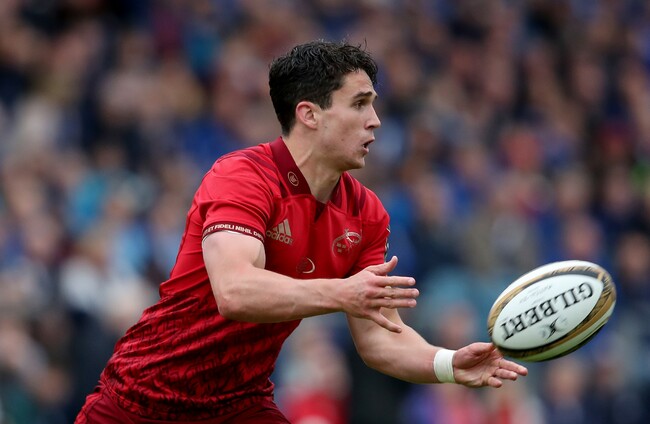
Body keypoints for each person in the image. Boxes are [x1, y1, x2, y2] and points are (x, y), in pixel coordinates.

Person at [75, 40, 528, 424]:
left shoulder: (366, 214)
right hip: (141, 399)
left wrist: (447, 363)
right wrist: (343, 293)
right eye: (359, 104)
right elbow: (235, 292)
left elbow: (379, 338)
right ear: (309, 114)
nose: (375, 120)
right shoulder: (242, 176)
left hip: (239, 405)